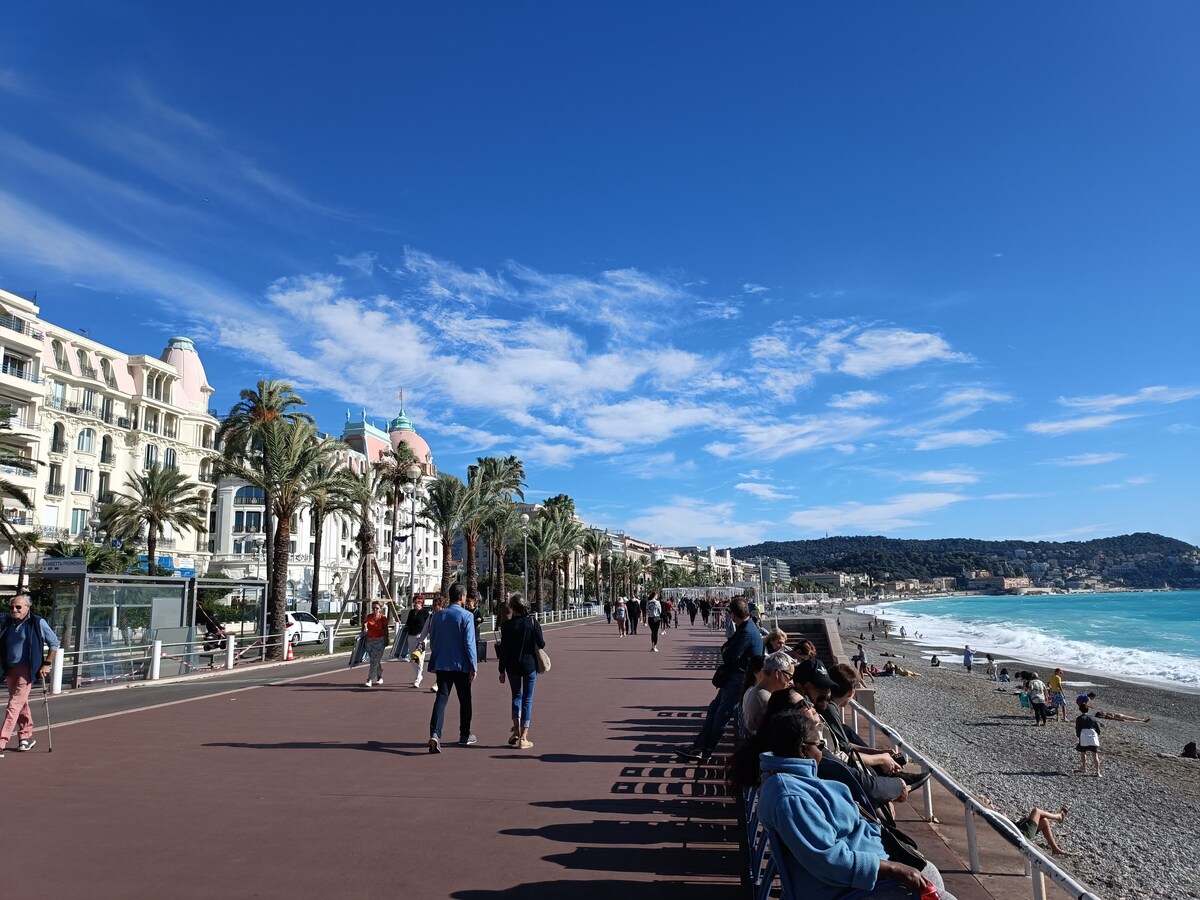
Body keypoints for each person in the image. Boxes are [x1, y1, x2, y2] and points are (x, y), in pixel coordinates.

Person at [743, 709, 958, 900]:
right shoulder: (790, 798)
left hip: (860, 866)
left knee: (930, 873)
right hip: (841, 888)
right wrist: (893, 868)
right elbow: (829, 860)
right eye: (820, 744)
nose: (822, 749)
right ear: (802, 750)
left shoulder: (794, 779)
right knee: (942, 896)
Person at [676, 598, 763, 762]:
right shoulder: (749, 627)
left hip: (738, 678)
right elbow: (729, 648)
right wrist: (727, 649)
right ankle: (698, 747)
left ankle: (705, 751)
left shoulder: (745, 632)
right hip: (735, 677)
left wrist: (726, 650)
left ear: (734, 615)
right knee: (714, 711)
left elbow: (729, 655)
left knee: (721, 715)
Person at [1, 594, 60, 756]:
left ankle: (2, 741)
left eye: (18, 607)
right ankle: (25, 736)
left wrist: (47, 664)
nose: (14, 610)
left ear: (27, 607)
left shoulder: (37, 622)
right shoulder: (8, 623)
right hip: (10, 669)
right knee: (21, 704)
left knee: (13, 705)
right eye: (12, 607)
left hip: (27, 670)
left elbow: (54, 643)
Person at [427, 584, 478, 754]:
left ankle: (435, 733)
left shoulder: (438, 616)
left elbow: (433, 640)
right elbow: (469, 643)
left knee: (441, 699)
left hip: (442, 664)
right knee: (465, 699)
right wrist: (473, 665)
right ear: (462, 597)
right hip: (461, 665)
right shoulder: (467, 616)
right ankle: (465, 734)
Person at [497, 594, 544, 750]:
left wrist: (501, 670)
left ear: (512, 608)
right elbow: (541, 644)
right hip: (529, 665)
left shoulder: (506, 626)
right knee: (527, 699)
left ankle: (516, 730)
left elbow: (503, 651)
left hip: (512, 666)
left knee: (516, 696)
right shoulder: (532, 622)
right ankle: (523, 737)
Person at [744, 651, 794, 734]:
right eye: (790, 677)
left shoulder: (757, 692)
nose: (791, 682)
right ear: (777, 673)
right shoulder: (766, 699)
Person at [395, 599, 432, 687]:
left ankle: (418, 678)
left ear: (422, 604)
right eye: (415, 602)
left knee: (419, 657)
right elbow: (407, 623)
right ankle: (418, 674)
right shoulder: (411, 612)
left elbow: (428, 625)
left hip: (421, 637)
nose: (416, 604)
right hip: (411, 636)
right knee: (413, 658)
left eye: (418, 602)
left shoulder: (425, 613)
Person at [361, 601, 389, 687]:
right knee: (375, 660)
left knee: (373, 660)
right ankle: (379, 677)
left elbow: (386, 629)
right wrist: (364, 628)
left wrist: (386, 639)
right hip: (369, 641)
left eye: (377, 608)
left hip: (379, 640)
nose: (375, 610)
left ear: (380, 609)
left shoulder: (383, 618)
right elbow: (364, 624)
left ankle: (369, 679)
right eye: (373, 608)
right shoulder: (369, 617)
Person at [1075, 703, 1102, 777]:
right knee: (1095, 755)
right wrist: (1098, 733)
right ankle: (1098, 772)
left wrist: (1078, 735)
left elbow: (1078, 728)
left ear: (1080, 710)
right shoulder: (1092, 718)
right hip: (1093, 737)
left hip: (1084, 737)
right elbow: (1097, 728)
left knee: (1083, 752)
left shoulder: (1079, 718)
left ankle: (1084, 767)